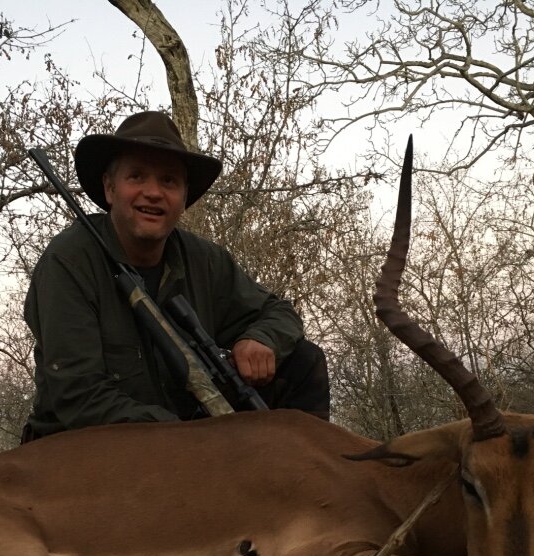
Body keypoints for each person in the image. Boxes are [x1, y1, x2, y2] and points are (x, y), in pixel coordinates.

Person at [22, 111, 330, 440]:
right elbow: (81, 399)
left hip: (185, 439)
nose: (153, 192)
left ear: (184, 198)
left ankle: (304, 477)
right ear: (110, 189)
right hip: (90, 445)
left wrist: (259, 339)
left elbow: (280, 313)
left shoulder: (205, 260)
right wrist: (191, 438)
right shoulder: (67, 261)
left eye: (169, 181)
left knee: (303, 360)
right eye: (137, 177)